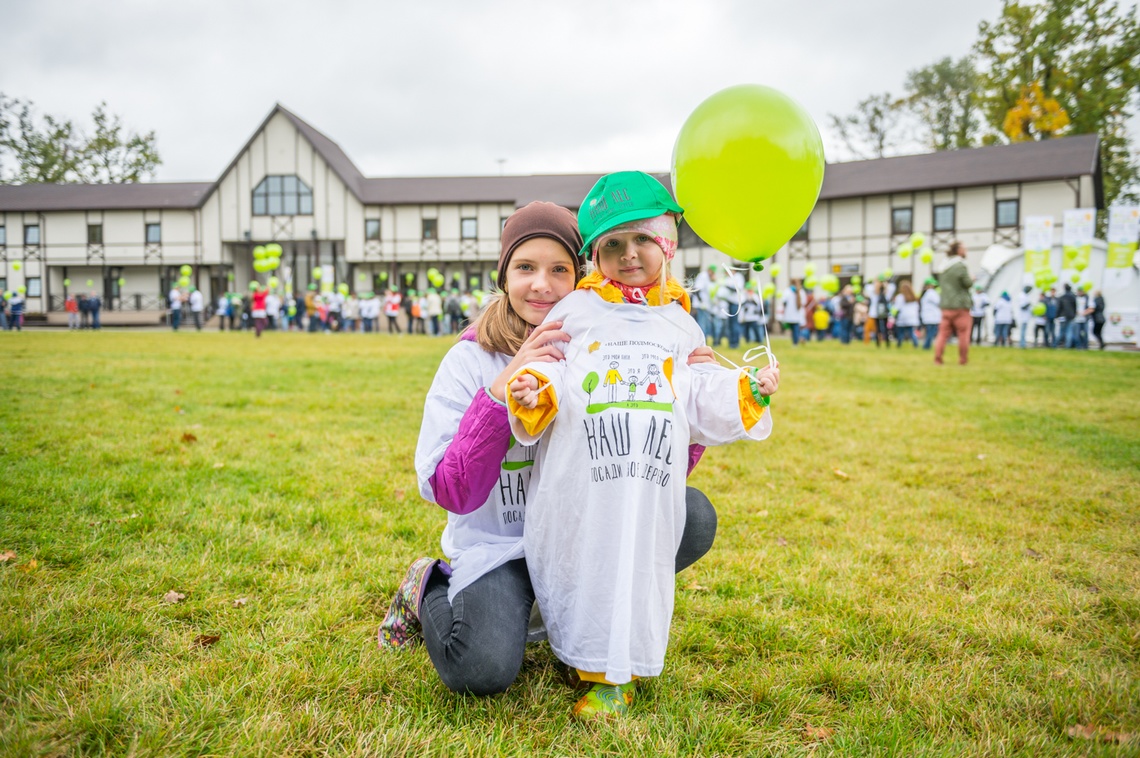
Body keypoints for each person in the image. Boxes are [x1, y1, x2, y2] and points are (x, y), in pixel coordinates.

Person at [378, 201, 721, 701]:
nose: (541, 284)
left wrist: (685, 403)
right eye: (525, 268)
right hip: (502, 550)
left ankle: (588, 628)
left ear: (582, 274)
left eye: (559, 269)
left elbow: (649, 471)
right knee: (481, 669)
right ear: (504, 275)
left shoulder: (611, 348)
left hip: (585, 535)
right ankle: (426, 587)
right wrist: (500, 394)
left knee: (692, 515)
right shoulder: (469, 359)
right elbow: (452, 491)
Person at [506, 173, 778, 719]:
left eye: (642, 241)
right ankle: (579, 652)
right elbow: (553, 367)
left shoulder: (679, 324)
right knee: (584, 558)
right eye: (613, 245)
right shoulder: (576, 313)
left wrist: (743, 390)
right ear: (596, 255)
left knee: (634, 562)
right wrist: (534, 388)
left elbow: (696, 394)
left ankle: (616, 671)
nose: (629, 256)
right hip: (583, 478)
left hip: (647, 480)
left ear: (667, 243)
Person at [933, 241, 974, 365]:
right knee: (963, 334)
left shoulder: (943, 267)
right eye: (964, 248)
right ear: (959, 250)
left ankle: (938, 359)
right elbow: (967, 284)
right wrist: (971, 279)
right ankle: (963, 360)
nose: (966, 250)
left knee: (942, 335)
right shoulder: (960, 266)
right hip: (960, 306)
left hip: (945, 306)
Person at [893, 280, 920, 347]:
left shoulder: (900, 297)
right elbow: (917, 308)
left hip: (902, 317)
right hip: (912, 317)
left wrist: (893, 315)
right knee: (912, 332)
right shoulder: (914, 297)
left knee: (901, 333)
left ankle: (899, 345)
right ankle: (915, 344)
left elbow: (896, 308)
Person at [780, 281, 805, 346]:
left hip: (789, 314)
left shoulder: (787, 291)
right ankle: (798, 339)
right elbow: (804, 302)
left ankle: (796, 342)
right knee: (796, 328)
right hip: (798, 314)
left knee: (794, 329)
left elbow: (784, 301)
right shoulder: (801, 291)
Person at [920, 278, 941, 350]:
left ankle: (926, 345)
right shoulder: (931, 293)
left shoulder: (925, 293)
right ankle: (926, 346)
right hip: (932, 316)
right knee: (931, 332)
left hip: (928, 316)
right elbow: (938, 302)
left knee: (929, 331)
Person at [1058, 284, 1078, 348]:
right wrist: (1074, 314)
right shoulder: (1073, 297)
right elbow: (1075, 307)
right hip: (1070, 316)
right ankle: (1067, 345)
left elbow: (1059, 307)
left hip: (1062, 316)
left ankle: (1056, 344)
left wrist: (1057, 315)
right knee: (1069, 332)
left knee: (1061, 331)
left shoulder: (1062, 297)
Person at [872, 281, 891, 348]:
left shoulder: (875, 294)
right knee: (884, 328)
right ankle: (886, 343)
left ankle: (879, 343)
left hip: (878, 313)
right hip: (882, 313)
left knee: (878, 328)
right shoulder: (885, 294)